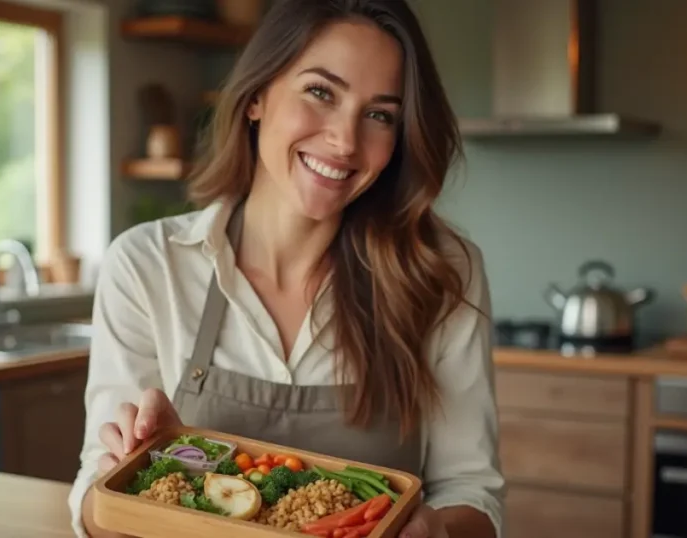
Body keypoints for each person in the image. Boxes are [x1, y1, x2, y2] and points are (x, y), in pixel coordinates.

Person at [67, 0, 504, 537]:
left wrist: (435, 532)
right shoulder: (147, 266)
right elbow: (94, 513)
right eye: (321, 92)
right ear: (256, 96)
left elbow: (474, 496)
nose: (345, 141)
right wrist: (152, 465)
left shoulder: (441, 271)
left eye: (380, 114)